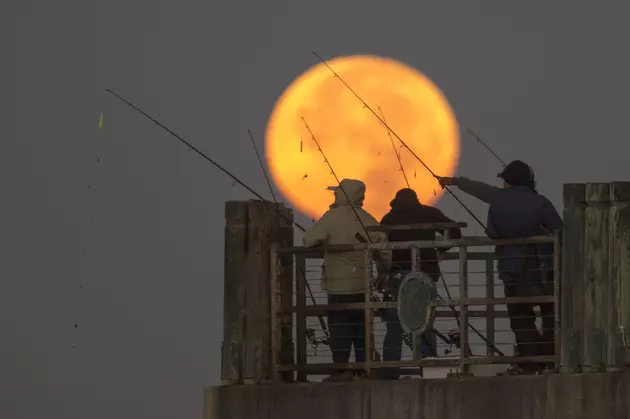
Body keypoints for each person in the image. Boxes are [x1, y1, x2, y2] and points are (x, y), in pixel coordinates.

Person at [438, 160, 563, 374]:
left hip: (510, 271)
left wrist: (455, 181)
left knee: (520, 317)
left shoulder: (497, 198)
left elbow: (480, 190)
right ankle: (550, 359)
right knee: (550, 314)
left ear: (508, 181)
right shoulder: (540, 202)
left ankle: (530, 362)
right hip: (542, 271)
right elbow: (560, 231)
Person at [303, 178, 391, 382]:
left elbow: (309, 240)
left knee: (339, 329)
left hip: (338, 286)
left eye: (337, 192)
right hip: (363, 285)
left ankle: (341, 370)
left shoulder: (331, 218)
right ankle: (365, 368)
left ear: (343, 194)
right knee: (361, 328)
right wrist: (383, 273)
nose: (334, 196)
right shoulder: (369, 219)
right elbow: (385, 253)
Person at [378, 188, 462, 379]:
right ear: (416, 199)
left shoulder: (388, 219)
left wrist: (383, 273)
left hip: (397, 275)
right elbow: (455, 232)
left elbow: (381, 248)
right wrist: (437, 250)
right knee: (425, 320)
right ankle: (430, 366)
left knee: (394, 325)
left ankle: (390, 371)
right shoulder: (429, 213)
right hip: (426, 273)